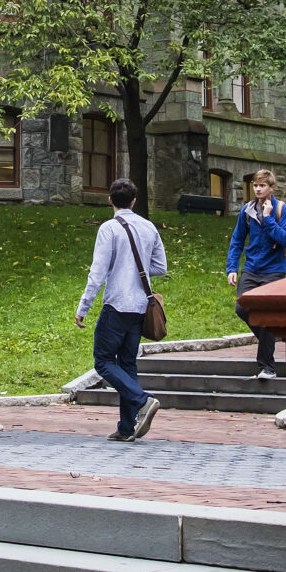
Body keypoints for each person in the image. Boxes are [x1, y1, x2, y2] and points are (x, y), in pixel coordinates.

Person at [74, 178, 169, 442]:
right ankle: (127, 427)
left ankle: (142, 400)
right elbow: (160, 266)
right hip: (140, 305)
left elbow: (97, 272)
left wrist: (84, 307)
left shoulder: (109, 228)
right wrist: (136, 269)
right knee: (127, 363)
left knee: (103, 361)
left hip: (116, 303)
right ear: (134, 201)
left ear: (110, 200)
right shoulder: (149, 227)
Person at [225, 169, 286, 379]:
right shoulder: (246, 210)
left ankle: (267, 367)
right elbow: (237, 240)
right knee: (241, 308)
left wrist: (267, 219)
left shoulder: (282, 210)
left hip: (274, 271)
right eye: (255, 185)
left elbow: (285, 239)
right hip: (251, 268)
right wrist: (232, 268)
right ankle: (269, 337)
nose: (258, 189)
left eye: (262, 185)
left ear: (271, 188)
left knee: (266, 315)